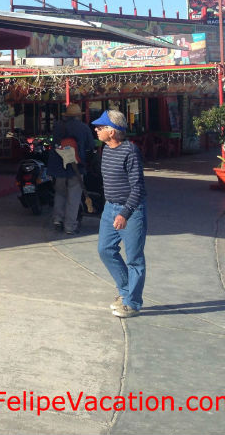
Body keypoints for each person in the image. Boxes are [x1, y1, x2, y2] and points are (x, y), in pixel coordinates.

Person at [92, 109, 147, 319]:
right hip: (110, 207)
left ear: (112, 131)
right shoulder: (105, 150)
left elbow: (138, 188)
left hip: (131, 210)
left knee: (134, 258)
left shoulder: (130, 151)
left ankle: (132, 302)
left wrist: (125, 213)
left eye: (100, 127)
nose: (96, 130)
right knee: (105, 249)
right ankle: (125, 292)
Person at [47, 103, 95, 235]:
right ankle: (70, 226)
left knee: (60, 193)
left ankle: (57, 220)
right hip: (76, 166)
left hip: (58, 166)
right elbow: (90, 145)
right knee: (73, 196)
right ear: (79, 116)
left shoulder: (57, 127)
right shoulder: (84, 128)